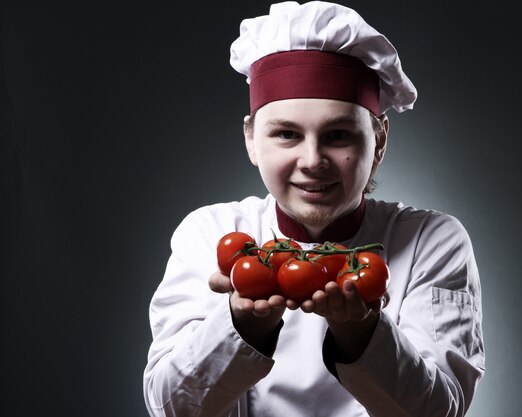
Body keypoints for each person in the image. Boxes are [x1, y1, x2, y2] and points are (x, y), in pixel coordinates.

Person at [143, 1, 485, 416]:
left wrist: (361, 333)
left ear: (379, 142)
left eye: (338, 134)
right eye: (286, 134)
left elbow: (440, 411)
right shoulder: (209, 233)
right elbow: (169, 407)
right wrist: (240, 324)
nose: (312, 160)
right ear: (252, 140)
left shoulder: (432, 240)